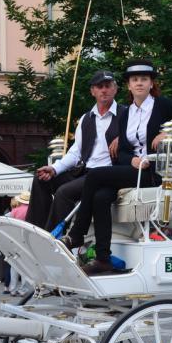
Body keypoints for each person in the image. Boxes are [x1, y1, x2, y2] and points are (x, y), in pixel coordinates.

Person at [62, 59, 172, 275]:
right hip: (132, 170)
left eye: (144, 79)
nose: (139, 83)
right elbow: (124, 150)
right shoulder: (126, 113)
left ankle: (77, 233)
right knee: (100, 197)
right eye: (134, 80)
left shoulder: (163, 105)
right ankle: (103, 258)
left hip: (154, 173)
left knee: (95, 176)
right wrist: (132, 160)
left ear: (151, 84)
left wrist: (170, 133)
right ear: (128, 85)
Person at [26, 70, 126, 232]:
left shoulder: (126, 114)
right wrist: (54, 169)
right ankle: (33, 229)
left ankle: (52, 237)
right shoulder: (86, 119)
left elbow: (138, 136)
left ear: (115, 89)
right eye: (99, 87)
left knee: (64, 192)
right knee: (41, 180)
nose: (104, 90)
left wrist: (123, 138)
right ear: (92, 91)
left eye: (108, 86)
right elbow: (75, 152)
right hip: (85, 171)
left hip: (107, 174)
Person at [6, 192, 31, 295]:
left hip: (14, 240)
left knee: (14, 265)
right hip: (26, 240)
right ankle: (23, 289)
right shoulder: (31, 210)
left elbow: (9, 225)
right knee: (25, 265)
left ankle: (13, 288)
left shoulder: (14, 211)